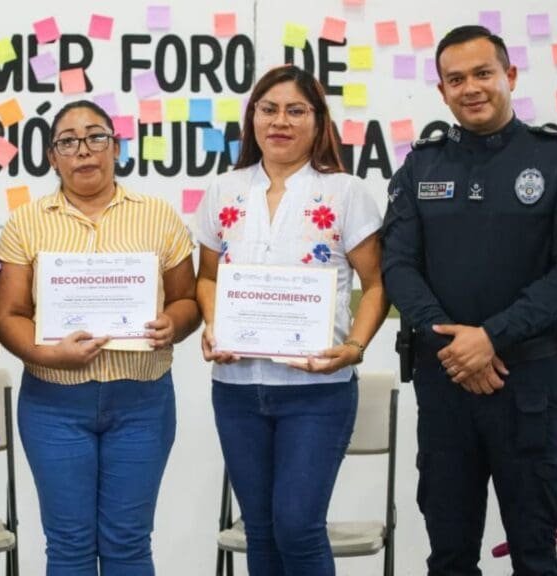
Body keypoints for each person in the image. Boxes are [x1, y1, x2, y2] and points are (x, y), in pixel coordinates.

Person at [382, 25, 557, 575]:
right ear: (442, 91)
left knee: (534, 553)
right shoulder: (420, 168)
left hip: (528, 389)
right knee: (450, 555)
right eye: (455, 79)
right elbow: (398, 267)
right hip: (446, 386)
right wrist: (455, 347)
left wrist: (490, 338)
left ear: (509, 75)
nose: (470, 88)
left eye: (483, 73)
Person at [194, 65, 388, 575]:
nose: (280, 121)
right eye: (269, 109)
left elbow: (377, 284)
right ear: (252, 117)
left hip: (317, 390)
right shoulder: (224, 190)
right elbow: (207, 279)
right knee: (260, 530)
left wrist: (357, 346)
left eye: (296, 110)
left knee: (298, 526)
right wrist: (214, 326)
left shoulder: (345, 192)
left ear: (318, 121)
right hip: (236, 387)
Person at [0, 100, 200, 576]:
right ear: (52, 157)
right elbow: (9, 314)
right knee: (68, 545)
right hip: (54, 405)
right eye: (68, 141)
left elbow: (187, 302)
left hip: (142, 402)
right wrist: (48, 353)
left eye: (96, 137)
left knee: (128, 543)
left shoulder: (159, 216)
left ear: (117, 146)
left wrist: (175, 324)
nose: (83, 150)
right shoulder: (26, 222)